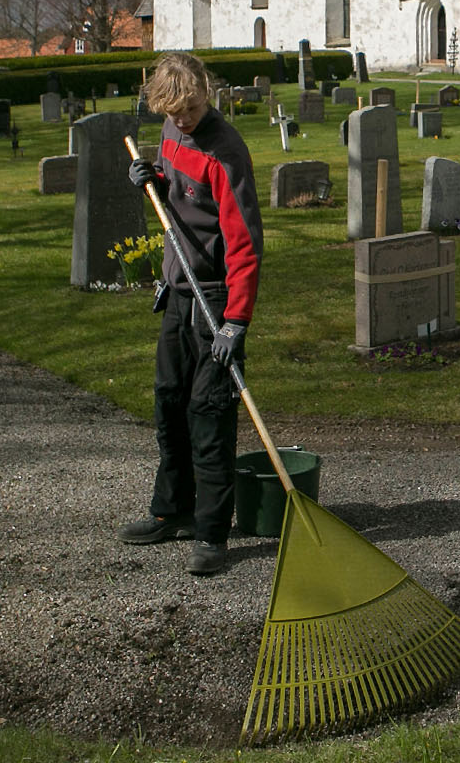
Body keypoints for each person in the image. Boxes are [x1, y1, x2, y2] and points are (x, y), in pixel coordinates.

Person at [121, 52, 263, 576]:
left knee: (208, 416)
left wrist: (236, 321)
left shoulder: (226, 153)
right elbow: (178, 197)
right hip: (178, 291)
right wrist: (151, 175)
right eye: (173, 113)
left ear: (207, 90)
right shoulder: (171, 128)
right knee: (170, 402)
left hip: (216, 299)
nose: (181, 121)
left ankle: (211, 531)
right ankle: (171, 510)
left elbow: (244, 244)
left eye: (190, 109)